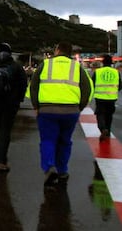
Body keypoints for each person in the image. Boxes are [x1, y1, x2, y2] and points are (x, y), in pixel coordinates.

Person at [28, 41, 93, 187]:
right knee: (65, 142)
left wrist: (36, 106)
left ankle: (49, 167)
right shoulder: (77, 67)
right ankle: (62, 170)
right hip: (70, 112)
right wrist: (79, 107)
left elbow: (33, 86)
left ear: (57, 50)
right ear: (69, 52)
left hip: (47, 111)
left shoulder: (45, 64)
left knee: (48, 140)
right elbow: (86, 89)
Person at [0, 42, 27, 172]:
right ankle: (1, 159)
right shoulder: (16, 67)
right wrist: (19, 99)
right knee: (5, 130)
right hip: (10, 104)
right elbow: (23, 84)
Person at [91, 54, 122, 141]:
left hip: (100, 97)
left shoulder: (98, 72)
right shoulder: (116, 72)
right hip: (112, 98)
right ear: (111, 63)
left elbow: (92, 84)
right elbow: (120, 85)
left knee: (100, 114)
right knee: (109, 115)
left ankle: (103, 129)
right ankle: (108, 132)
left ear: (102, 63)